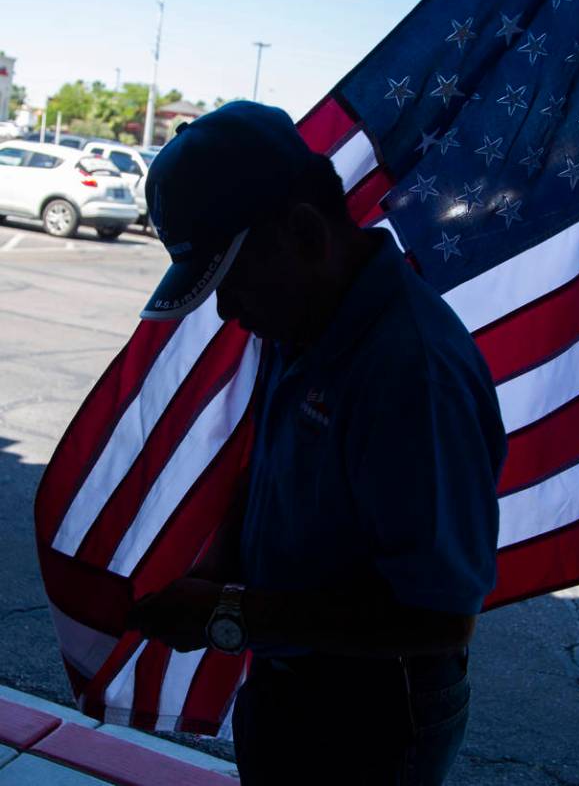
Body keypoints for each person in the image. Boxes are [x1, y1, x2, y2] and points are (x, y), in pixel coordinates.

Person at [125, 101, 507, 785]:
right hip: (285, 670)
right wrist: (219, 571)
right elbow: (270, 463)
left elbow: (439, 619)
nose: (226, 309)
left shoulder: (409, 370)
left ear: (305, 232)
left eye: (234, 280)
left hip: (371, 713)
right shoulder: (300, 316)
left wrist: (226, 613)